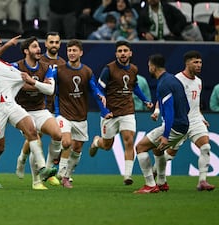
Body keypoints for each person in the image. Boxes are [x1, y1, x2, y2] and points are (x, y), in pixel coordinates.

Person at [0, 31, 56, 189]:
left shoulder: (5, 66)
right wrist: (7, 45)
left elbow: (25, 83)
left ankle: (42, 169)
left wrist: (37, 85)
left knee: (32, 130)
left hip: (11, 104)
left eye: (0, 40)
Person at [88, 40, 153, 185]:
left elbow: (134, 87)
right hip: (110, 113)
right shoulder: (108, 69)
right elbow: (98, 91)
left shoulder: (134, 69)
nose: (123, 53)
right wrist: (104, 111)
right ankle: (96, 142)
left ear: (130, 53)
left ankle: (127, 175)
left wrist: (146, 100)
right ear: (116, 53)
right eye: (120, 51)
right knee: (107, 145)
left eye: (125, 51)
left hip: (127, 110)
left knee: (129, 140)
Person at [153, 51, 215, 191]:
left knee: (205, 147)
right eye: (195, 62)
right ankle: (155, 170)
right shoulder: (176, 79)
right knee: (168, 154)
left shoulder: (199, 81)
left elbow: (195, 103)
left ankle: (202, 181)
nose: (199, 65)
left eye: (200, 62)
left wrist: (201, 118)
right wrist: (157, 111)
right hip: (179, 122)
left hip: (195, 121)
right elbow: (163, 97)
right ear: (187, 63)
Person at [134, 54, 189, 194]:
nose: (149, 69)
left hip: (174, 126)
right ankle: (162, 182)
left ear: (153, 67)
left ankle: (150, 184)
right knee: (157, 150)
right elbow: (186, 106)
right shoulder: (173, 80)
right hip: (183, 125)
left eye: (149, 66)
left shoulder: (164, 84)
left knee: (140, 147)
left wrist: (165, 135)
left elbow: (170, 111)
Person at [54, 39, 106, 188]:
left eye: (74, 50)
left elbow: (94, 89)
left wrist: (100, 97)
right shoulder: (59, 70)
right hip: (64, 114)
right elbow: (53, 90)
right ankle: (62, 173)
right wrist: (56, 111)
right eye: (69, 50)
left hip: (81, 116)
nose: (71, 53)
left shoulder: (87, 71)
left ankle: (67, 175)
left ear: (81, 53)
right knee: (67, 142)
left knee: (77, 148)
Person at [12, 36, 62, 190]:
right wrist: (40, 85)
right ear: (26, 51)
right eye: (34, 47)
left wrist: (31, 82)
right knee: (36, 141)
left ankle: (46, 169)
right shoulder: (15, 66)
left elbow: (50, 90)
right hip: (22, 112)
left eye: (38, 46)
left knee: (58, 135)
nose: (39, 49)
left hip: (40, 110)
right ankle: (36, 182)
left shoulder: (47, 68)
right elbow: (18, 87)